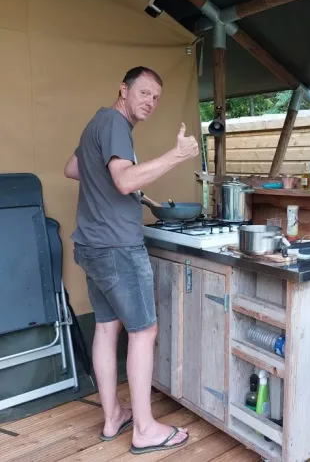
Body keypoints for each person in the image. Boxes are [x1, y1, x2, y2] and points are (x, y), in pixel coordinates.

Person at [64, 66, 199, 454]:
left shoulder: (97, 123)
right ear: (123, 89)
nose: (150, 102)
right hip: (117, 248)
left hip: (92, 245)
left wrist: (104, 184)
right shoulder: (114, 124)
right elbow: (124, 181)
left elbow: (73, 168)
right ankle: (144, 429)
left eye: (156, 97)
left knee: (107, 328)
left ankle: (113, 418)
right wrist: (177, 155)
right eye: (143, 92)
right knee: (143, 332)